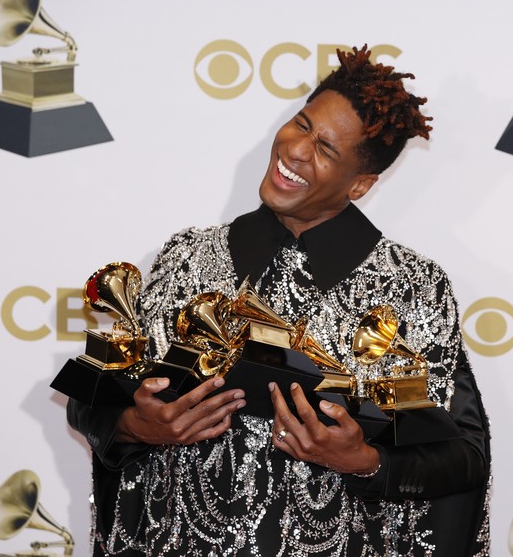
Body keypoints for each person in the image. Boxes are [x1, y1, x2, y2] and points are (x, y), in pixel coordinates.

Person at [67, 45, 491, 557]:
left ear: (361, 184)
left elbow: (461, 454)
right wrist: (136, 424)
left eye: (327, 150)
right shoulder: (186, 256)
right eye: (302, 124)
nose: (296, 149)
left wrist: (363, 461)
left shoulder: (409, 288)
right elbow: (92, 397)